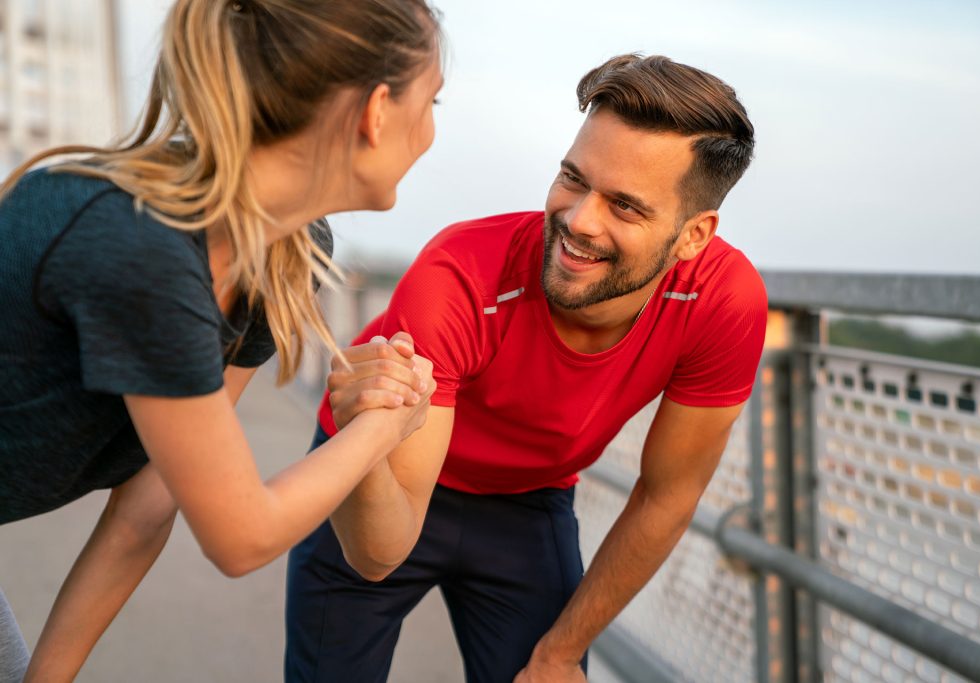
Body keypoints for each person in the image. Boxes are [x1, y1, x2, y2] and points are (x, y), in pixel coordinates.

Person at [286, 53, 768, 683]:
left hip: (526, 500)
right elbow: (379, 554)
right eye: (573, 178)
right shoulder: (458, 277)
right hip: (384, 472)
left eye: (624, 206)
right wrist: (360, 437)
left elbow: (666, 495)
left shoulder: (723, 301)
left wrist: (561, 653)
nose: (578, 220)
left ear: (693, 235)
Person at [0, 0, 444, 680]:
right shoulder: (140, 247)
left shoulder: (286, 254)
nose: (434, 132)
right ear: (377, 111)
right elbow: (242, 535)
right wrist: (386, 423)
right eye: (433, 100)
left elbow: (149, 504)